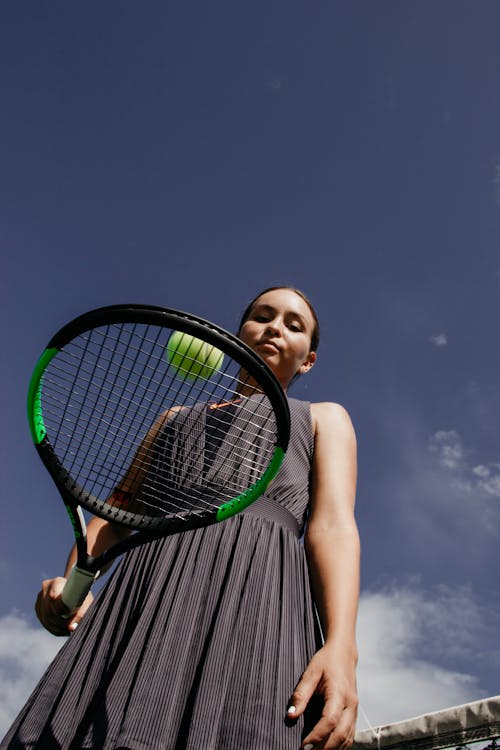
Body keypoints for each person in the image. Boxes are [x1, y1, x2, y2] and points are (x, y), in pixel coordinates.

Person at [1, 286, 360, 750]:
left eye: (293, 325)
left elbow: (332, 527)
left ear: (307, 360)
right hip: (146, 590)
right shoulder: (173, 417)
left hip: (258, 597)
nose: (274, 327)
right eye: (262, 316)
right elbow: (117, 513)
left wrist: (342, 647)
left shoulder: (323, 418)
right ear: (238, 334)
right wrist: (72, 584)